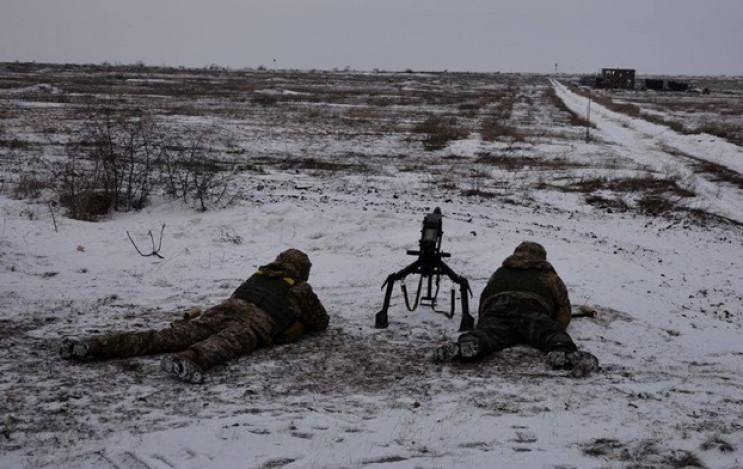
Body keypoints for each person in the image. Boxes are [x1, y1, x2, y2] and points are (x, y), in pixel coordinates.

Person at [60, 248, 328, 384]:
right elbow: (320, 321)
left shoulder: (258, 275)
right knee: (222, 344)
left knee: (162, 337)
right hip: (253, 324)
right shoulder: (299, 288)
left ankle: (95, 345)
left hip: (219, 312)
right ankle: (187, 360)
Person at [433, 241, 598, 377]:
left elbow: (485, 298)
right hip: (531, 311)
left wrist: (487, 318)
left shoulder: (500, 272)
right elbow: (564, 311)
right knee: (550, 333)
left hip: (498, 310)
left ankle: (469, 344)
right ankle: (562, 351)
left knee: (489, 334)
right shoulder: (549, 277)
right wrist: (553, 325)